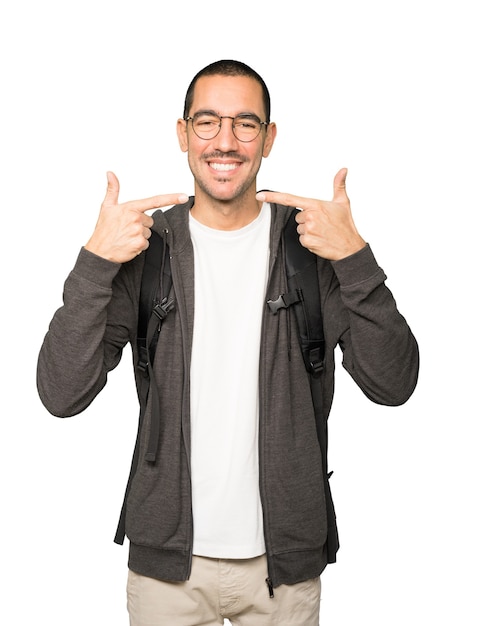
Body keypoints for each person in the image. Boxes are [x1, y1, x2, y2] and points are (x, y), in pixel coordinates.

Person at [37, 59, 419, 626]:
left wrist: (355, 258)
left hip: (284, 569)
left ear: (268, 138)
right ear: (182, 133)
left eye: (245, 124)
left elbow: (394, 383)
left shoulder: (313, 245)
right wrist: (94, 263)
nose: (225, 141)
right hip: (166, 568)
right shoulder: (144, 249)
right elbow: (61, 393)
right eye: (207, 121)